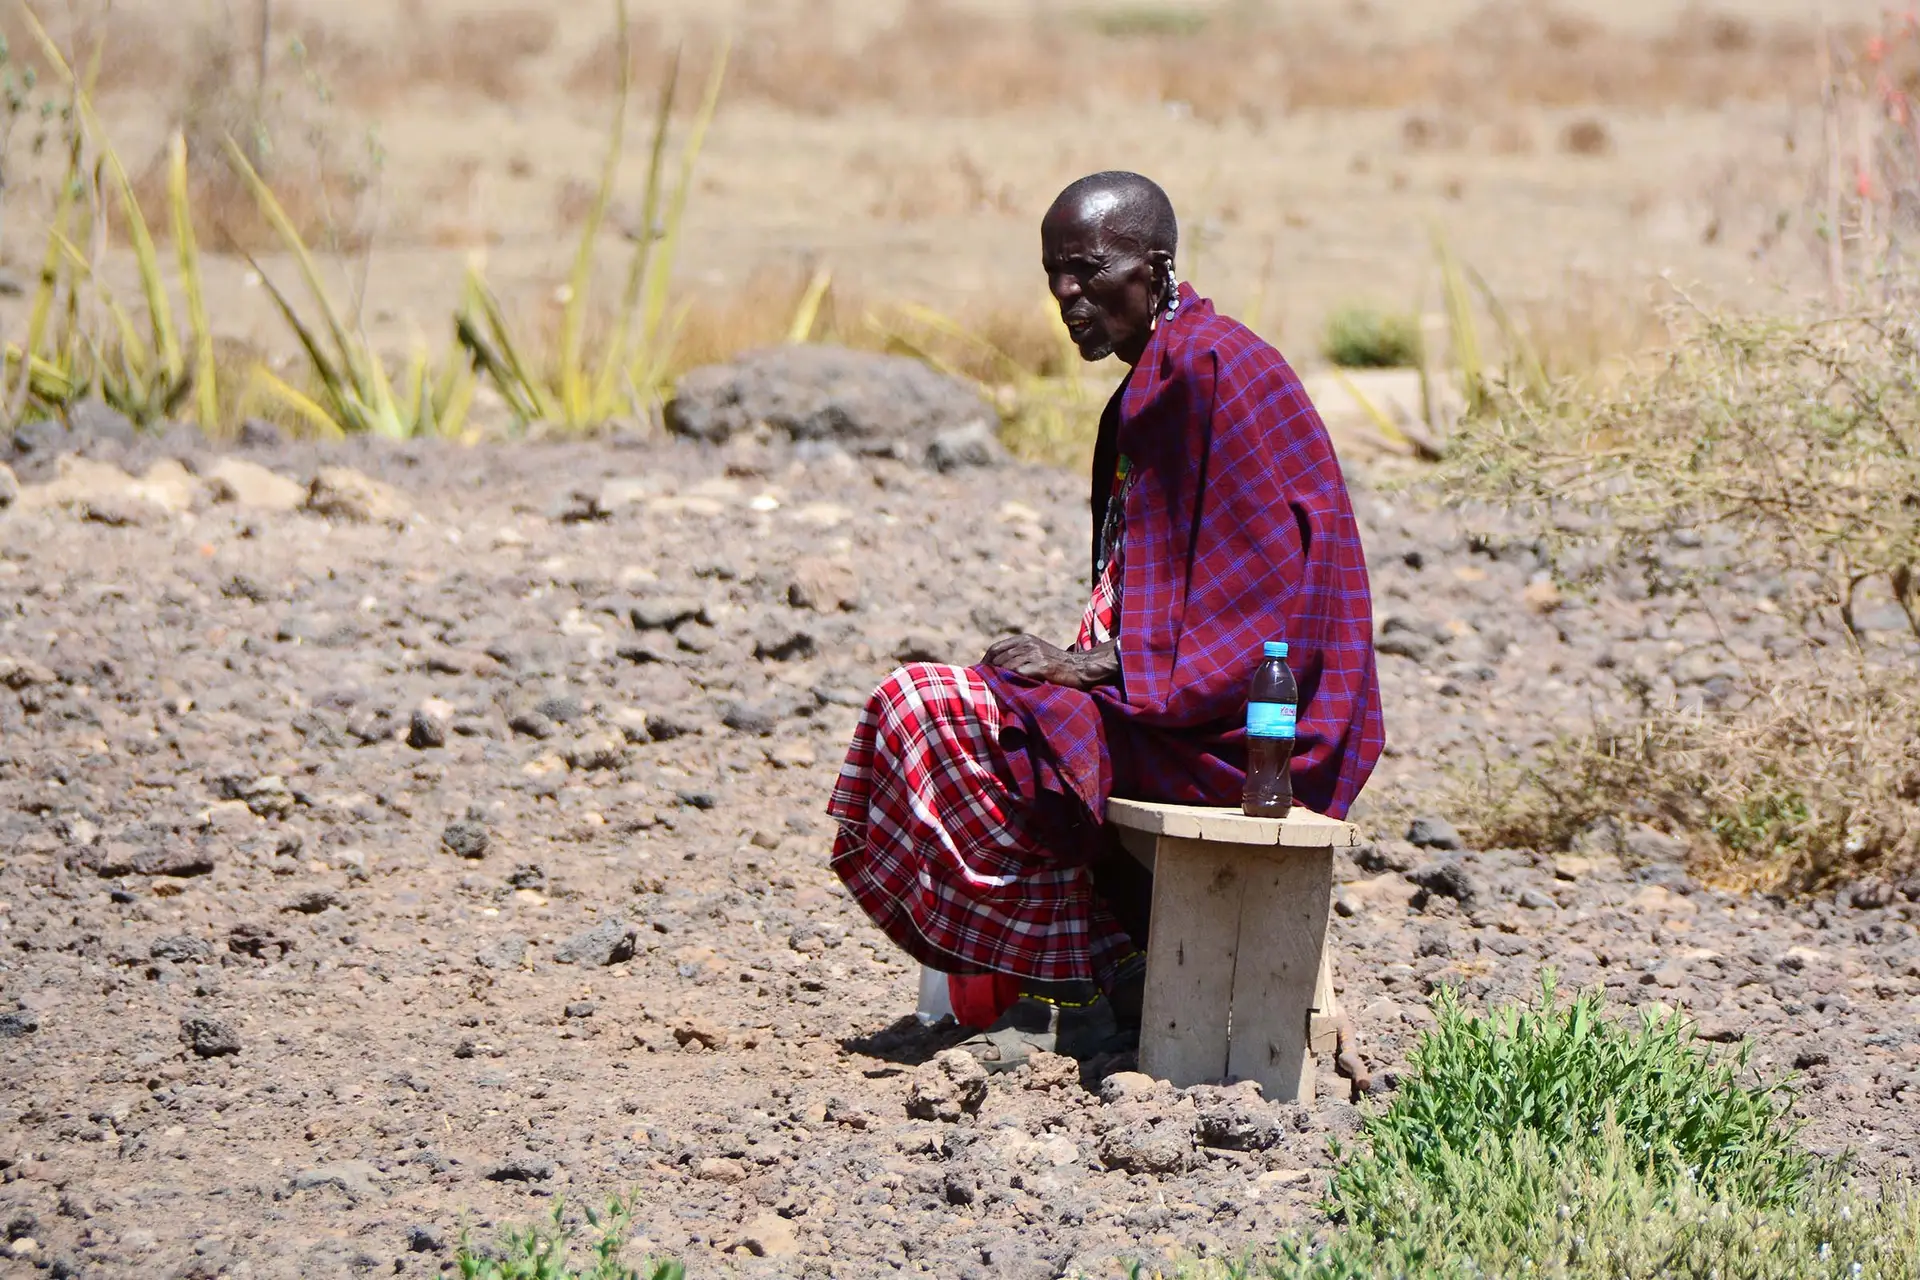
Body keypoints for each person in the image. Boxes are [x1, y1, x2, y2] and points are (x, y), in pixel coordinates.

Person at [827, 171, 1383, 1063]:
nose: (1064, 296)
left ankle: (1103, 973)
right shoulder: (1158, 378)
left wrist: (1092, 669)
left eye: (1086, 270)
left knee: (927, 710)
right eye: (1053, 275)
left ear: (1155, 267)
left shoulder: (1212, 368)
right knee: (978, 706)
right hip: (1176, 698)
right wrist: (1092, 664)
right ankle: (1104, 979)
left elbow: (1263, 601)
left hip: (1250, 729)